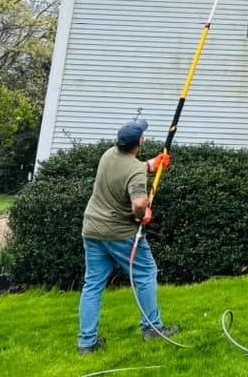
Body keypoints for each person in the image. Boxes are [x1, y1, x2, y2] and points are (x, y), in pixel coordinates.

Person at [77, 119, 179, 354]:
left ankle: (86, 343)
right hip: (120, 233)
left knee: (92, 284)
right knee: (145, 273)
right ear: (140, 142)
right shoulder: (134, 171)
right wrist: (144, 214)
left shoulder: (109, 155)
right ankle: (152, 329)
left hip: (92, 229)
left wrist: (152, 164)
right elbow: (139, 202)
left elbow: (128, 169)